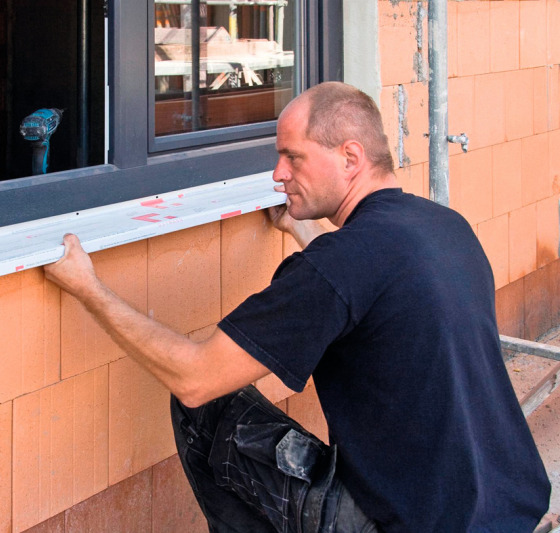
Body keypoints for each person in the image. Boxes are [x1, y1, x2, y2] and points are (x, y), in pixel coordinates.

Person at [44, 81, 550, 532]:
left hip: (406, 522)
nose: (277, 173)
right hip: (504, 509)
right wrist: (302, 230)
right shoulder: (444, 227)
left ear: (350, 158)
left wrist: (89, 289)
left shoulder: (340, 264)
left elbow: (195, 379)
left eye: (293, 157)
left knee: (204, 405)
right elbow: (363, 289)